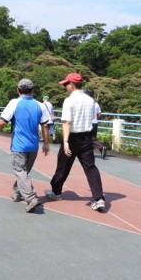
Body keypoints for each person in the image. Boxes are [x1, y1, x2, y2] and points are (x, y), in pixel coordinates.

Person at [0, 79, 50, 213]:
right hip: (33, 145)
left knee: (21, 172)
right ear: (33, 91)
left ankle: (31, 198)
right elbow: (45, 125)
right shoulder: (41, 105)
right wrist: (46, 144)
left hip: (19, 145)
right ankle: (17, 193)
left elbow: (3, 122)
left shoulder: (14, 103)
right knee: (24, 172)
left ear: (18, 90)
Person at [46, 73, 106, 212]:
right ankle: (99, 199)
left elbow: (67, 122)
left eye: (66, 84)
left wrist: (66, 141)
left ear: (72, 84)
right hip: (87, 137)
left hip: (72, 137)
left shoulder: (69, 101)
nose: (65, 87)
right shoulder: (90, 100)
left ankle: (56, 192)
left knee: (63, 166)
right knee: (91, 168)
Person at [84, 89, 107, 159]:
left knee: (89, 138)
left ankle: (101, 147)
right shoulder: (96, 104)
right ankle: (90, 153)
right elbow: (99, 115)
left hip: (88, 123)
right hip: (95, 123)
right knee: (92, 138)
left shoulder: (85, 103)